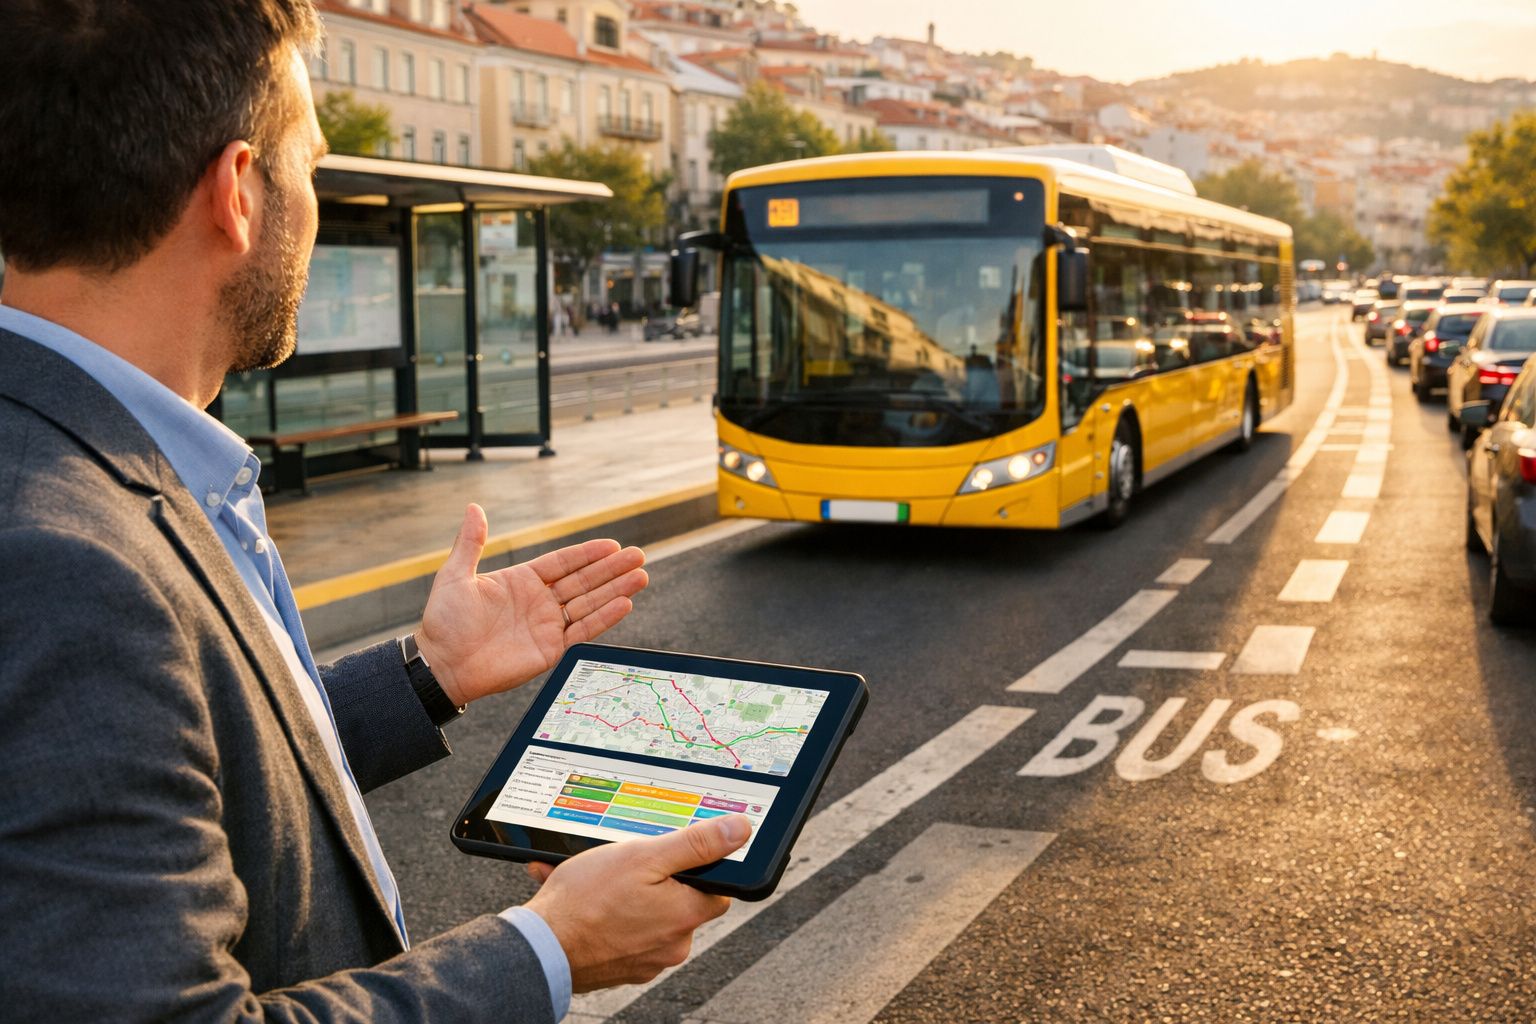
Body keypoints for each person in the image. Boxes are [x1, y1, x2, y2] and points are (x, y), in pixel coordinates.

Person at [0, 1, 749, 1019]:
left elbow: (186, 779)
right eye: (310, 165)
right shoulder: (64, 562)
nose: (315, 199)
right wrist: (551, 947)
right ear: (238, 194)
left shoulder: (82, 457)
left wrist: (427, 674)